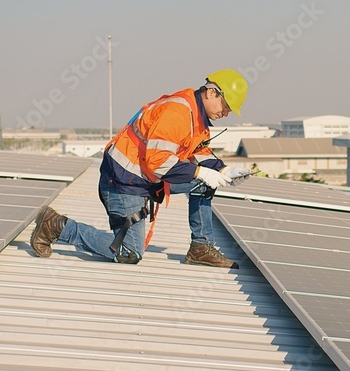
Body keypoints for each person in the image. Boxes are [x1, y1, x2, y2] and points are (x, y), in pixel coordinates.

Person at [30, 69, 252, 268]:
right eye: (226, 107)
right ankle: (57, 226)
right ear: (212, 93)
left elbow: (199, 152)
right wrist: (199, 172)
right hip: (123, 181)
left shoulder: (198, 118)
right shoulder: (178, 113)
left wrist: (223, 171)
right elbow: (159, 162)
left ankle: (200, 248)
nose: (225, 114)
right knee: (129, 253)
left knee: (204, 184)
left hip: (145, 178)